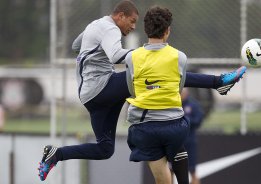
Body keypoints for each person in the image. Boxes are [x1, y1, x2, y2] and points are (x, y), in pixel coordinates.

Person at [38, 0, 246, 181]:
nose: (133, 27)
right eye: (131, 21)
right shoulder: (110, 28)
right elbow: (115, 56)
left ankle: (56, 154)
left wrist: (90, 54)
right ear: (120, 16)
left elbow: (76, 45)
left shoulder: (96, 24)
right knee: (162, 72)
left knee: (104, 149)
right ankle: (218, 82)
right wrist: (148, 52)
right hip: (101, 87)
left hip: (91, 96)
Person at [125, 6, 190, 184]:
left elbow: (132, 89)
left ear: (146, 29)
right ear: (167, 31)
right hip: (174, 125)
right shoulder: (180, 57)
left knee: (162, 179)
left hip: (145, 128)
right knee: (179, 134)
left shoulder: (132, 57)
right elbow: (179, 88)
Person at [181, 88, 205, 184]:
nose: (180, 95)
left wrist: (186, 121)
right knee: (171, 168)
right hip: (175, 142)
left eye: (182, 93)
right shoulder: (173, 104)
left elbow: (198, 120)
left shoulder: (193, 105)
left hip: (190, 141)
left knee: (192, 169)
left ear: (187, 93)